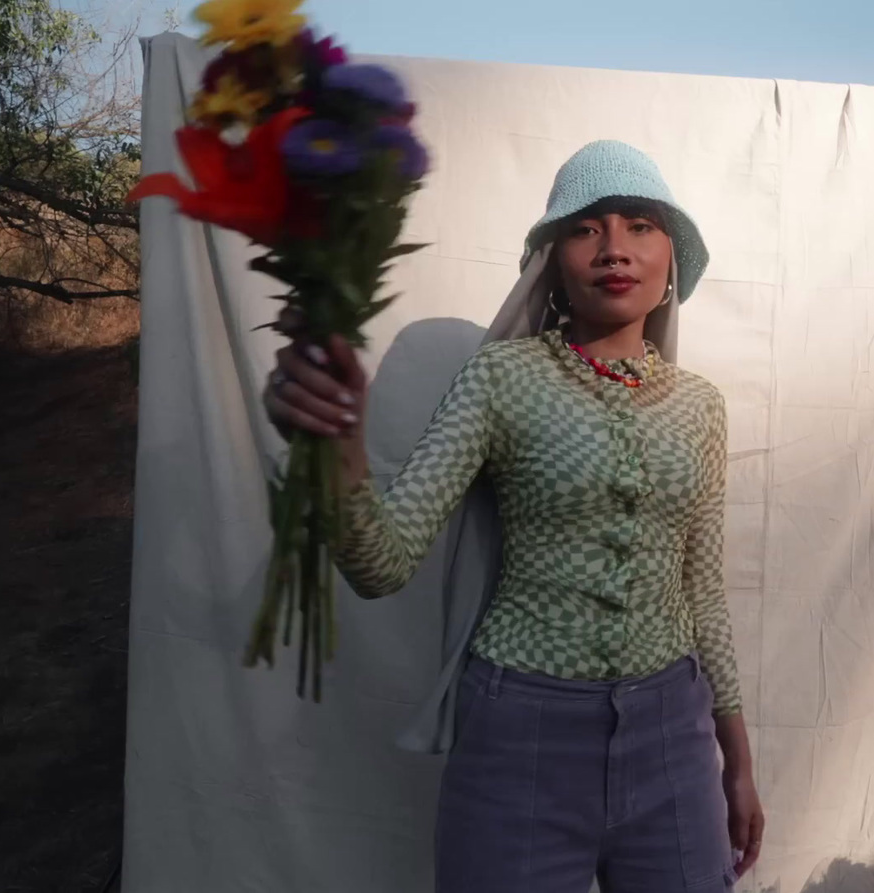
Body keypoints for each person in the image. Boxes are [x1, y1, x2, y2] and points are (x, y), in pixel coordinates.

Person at [262, 140, 763, 893]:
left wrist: (739, 764)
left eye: (639, 225)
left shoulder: (700, 408)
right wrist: (336, 451)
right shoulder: (503, 377)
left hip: (673, 743)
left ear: (671, 263)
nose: (614, 247)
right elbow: (381, 561)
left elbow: (703, 592)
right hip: (521, 741)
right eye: (586, 228)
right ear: (553, 260)